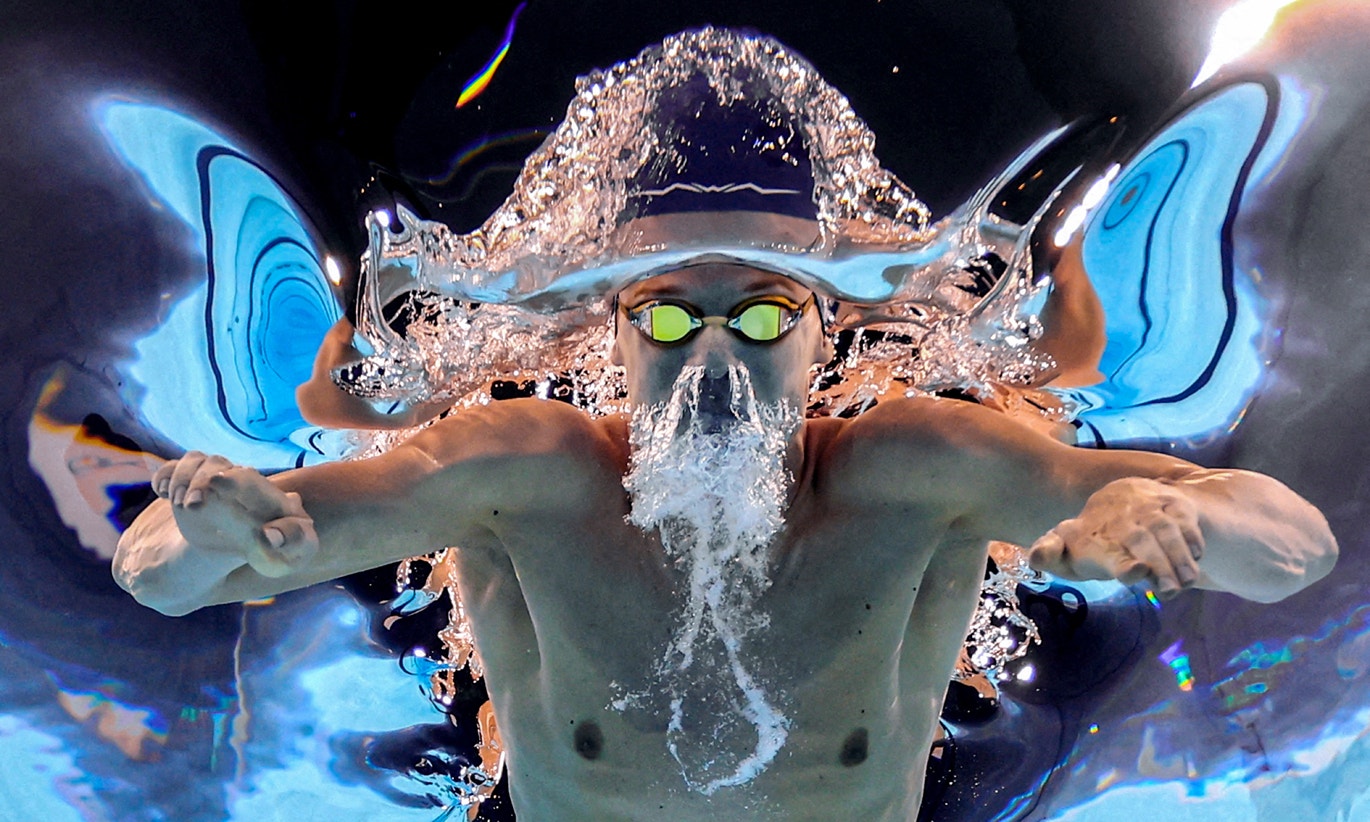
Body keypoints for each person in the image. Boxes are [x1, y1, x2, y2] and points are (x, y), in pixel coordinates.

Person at [113, 29, 1338, 822]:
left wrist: (1163, 516)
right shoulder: (520, 477)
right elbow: (163, 580)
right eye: (663, 323)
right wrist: (218, 529)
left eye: (756, 324)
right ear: (609, 340)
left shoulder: (913, 471)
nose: (708, 358)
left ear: (817, 341)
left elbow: (1295, 551)